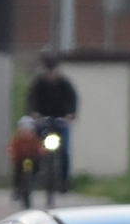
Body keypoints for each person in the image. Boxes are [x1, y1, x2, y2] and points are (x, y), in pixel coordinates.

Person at [24, 49, 79, 188]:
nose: (50, 74)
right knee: (34, 148)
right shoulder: (38, 84)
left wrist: (70, 115)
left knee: (65, 151)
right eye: (48, 71)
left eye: (53, 70)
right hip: (44, 121)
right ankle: (33, 174)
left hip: (60, 122)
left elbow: (72, 100)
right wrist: (34, 113)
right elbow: (32, 100)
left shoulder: (65, 84)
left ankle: (64, 181)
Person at [7, 115, 46, 207]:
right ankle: (16, 188)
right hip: (21, 160)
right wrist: (13, 156)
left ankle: (35, 179)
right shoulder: (17, 140)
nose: (26, 132)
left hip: (32, 160)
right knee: (17, 172)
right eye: (24, 130)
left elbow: (40, 149)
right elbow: (12, 149)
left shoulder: (35, 140)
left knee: (36, 169)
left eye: (29, 130)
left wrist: (41, 152)